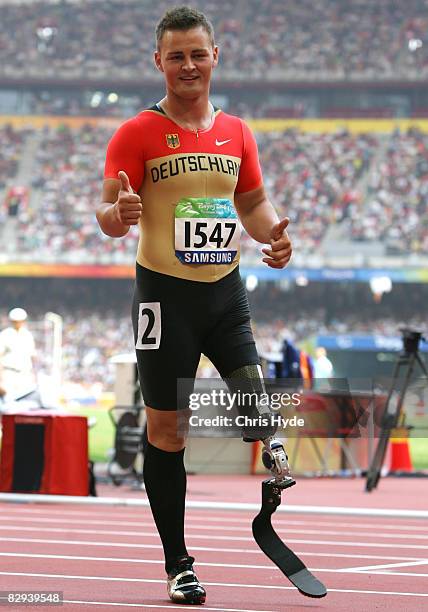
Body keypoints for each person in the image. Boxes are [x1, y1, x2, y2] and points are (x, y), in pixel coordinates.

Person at [97, 6, 292, 605]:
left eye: (197, 53)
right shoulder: (136, 133)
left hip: (225, 290)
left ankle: (272, 448)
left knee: (252, 392)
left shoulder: (237, 131)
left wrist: (271, 236)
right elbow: (107, 214)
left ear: (215, 57)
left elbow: (254, 204)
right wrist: (120, 214)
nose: (188, 65)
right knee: (166, 431)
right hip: (164, 296)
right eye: (176, 55)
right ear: (159, 61)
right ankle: (178, 564)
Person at [0, 307, 36, 400]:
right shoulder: (5, 335)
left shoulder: (27, 335)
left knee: (26, 404)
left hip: (25, 375)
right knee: (9, 404)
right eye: (16, 321)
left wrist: (34, 376)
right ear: (12, 321)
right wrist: (1, 381)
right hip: (9, 374)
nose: (18, 323)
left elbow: (31, 357)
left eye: (20, 321)